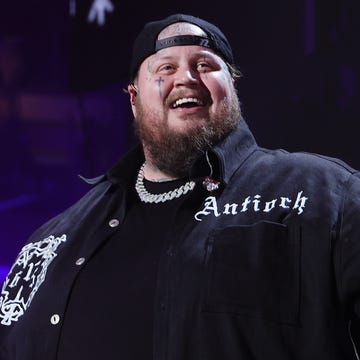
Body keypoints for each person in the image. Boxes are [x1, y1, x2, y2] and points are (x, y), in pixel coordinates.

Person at [1, 12, 360, 360]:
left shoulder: (326, 195)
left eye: (205, 64)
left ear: (231, 87)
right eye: (166, 68)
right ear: (133, 98)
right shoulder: (56, 237)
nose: (186, 77)